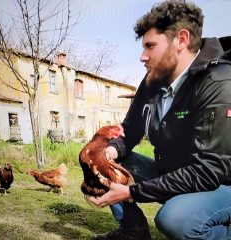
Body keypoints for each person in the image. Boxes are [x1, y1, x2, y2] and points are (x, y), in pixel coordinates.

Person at [90, 0, 231, 239]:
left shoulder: (219, 82)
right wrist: (110, 152)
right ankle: (132, 230)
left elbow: (209, 171)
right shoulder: (151, 82)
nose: (143, 56)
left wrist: (133, 192)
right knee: (99, 162)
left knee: (176, 220)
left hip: (220, 184)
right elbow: (130, 130)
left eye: (150, 46)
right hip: (172, 173)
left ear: (181, 40)